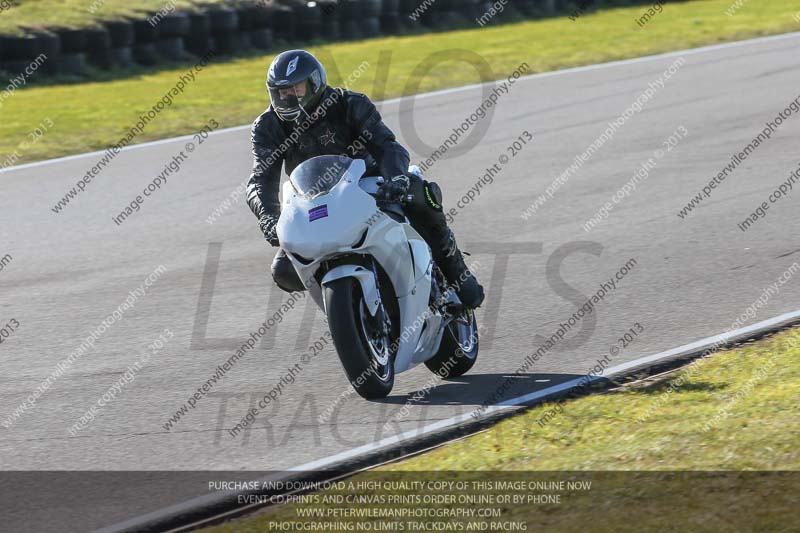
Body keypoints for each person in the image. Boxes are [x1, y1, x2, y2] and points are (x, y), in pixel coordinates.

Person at [246, 49, 484, 308]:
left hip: (370, 184)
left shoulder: (349, 104)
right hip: (313, 202)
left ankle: (456, 272)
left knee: (421, 194)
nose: (288, 98)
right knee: (284, 269)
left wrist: (396, 179)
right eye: (281, 92)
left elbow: (387, 145)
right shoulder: (267, 126)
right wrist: (268, 217)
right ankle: (344, 303)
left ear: (314, 83)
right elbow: (261, 179)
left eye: (296, 89)